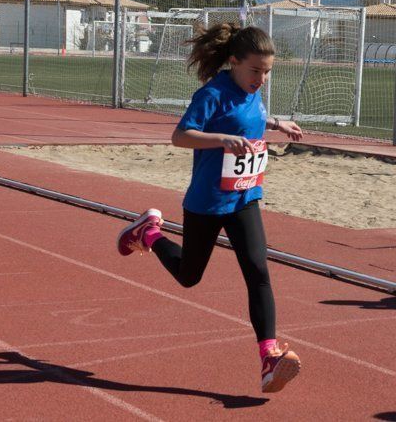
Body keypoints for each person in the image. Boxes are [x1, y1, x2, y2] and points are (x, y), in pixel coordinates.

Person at [116, 23, 304, 393]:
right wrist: (222, 141)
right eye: (255, 70)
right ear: (234, 62)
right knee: (189, 276)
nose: (262, 78)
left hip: (244, 196)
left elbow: (245, 115)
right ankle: (149, 233)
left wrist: (276, 122)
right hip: (207, 202)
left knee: (258, 271)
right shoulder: (211, 93)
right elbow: (180, 135)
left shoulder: (251, 92)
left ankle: (269, 356)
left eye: (268, 71)